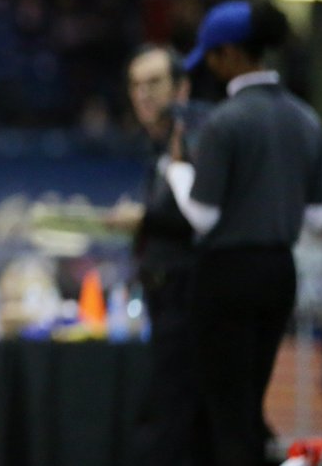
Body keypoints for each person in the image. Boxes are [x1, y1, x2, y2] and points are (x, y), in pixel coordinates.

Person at [163, 0, 322, 466]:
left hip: (226, 275)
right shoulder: (306, 119)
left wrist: (176, 170)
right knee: (249, 402)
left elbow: (202, 216)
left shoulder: (225, 122)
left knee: (229, 416)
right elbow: (318, 219)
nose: (211, 68)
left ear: (231, 54)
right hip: (280, 272)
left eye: (214, 57)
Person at [116, 45, 204, 466]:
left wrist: (142, 218)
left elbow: (203, 219)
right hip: (164, 303)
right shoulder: (158, 149)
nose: (143, 94)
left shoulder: (199, 140)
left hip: (193, 307)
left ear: (182, 88)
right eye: (135, 85)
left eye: (154, 83)